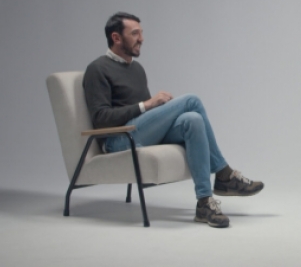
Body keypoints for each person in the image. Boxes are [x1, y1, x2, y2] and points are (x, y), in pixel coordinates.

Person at [83, 12, 264, 228]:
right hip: (119, 139)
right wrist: (146, 105)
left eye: (141, 33)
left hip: (140, 131)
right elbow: (100, 119)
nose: (141, 38)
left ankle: (204, 202)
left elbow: (145, 116)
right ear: (116, 38)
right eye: (135, 33)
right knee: (191, 100)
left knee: (193, 119)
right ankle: (224, 174)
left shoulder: (136, 69)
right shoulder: (97, 69)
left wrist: (152, 109)